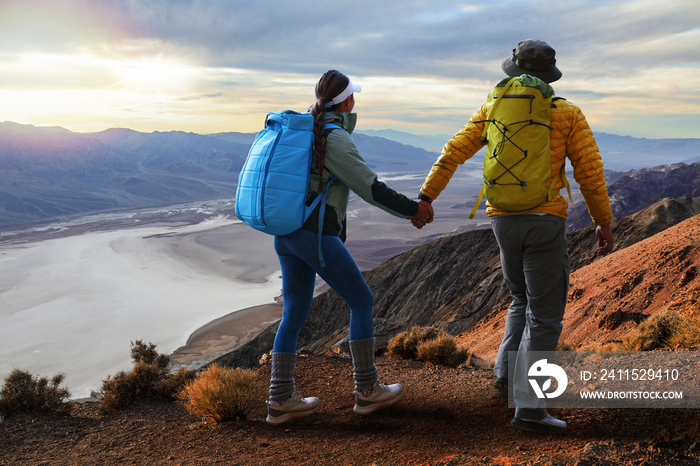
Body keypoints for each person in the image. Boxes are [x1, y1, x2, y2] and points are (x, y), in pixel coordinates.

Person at [417, 39, 614, 433]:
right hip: (544, 220)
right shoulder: (567, 113)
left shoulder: (493, 107)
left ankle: (506, 374)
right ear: (550, 74)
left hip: (502, 220)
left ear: (514, 69)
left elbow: (453, 150)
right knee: (545, 316)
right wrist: (603, 221)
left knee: (520, 297)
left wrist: (426, 196)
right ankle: (529, 408)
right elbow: (589, 171)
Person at [266, 70, 434, 425]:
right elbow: (370, 188)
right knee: (362, 301)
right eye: (353, 96)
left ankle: (279, 399)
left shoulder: (304, 133)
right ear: (347, 101)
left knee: (294, 311)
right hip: (315, 235)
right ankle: (367, 391)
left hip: (286, 235)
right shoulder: (334, 137)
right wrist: (414, 210)